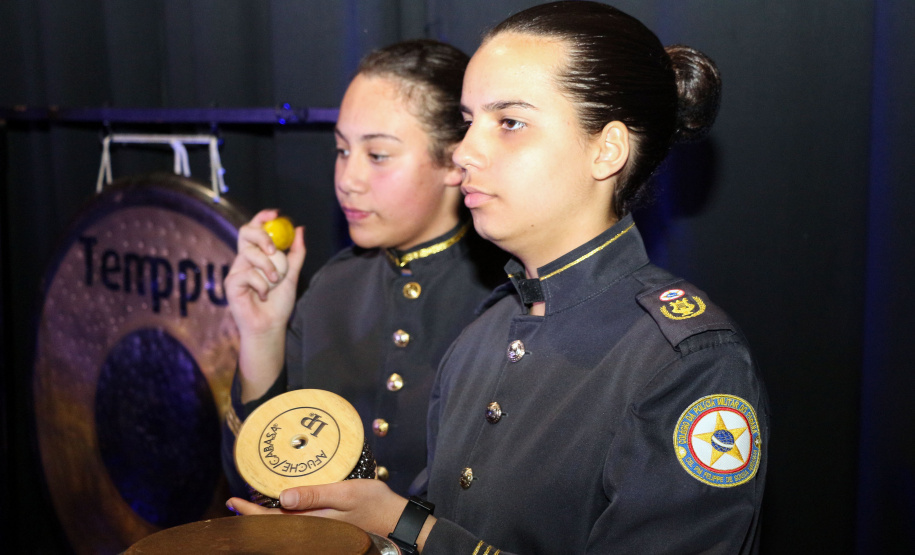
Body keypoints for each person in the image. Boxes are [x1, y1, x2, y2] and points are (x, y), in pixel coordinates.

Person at [228, 3, 769, 554]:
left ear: (606, 149)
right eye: (468, 123)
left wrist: (404, 523)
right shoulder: (486, 334)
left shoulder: (688, 362)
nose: (464, 152)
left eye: (509, 122)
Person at [221, 39, 506, 498]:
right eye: (340, 150)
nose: (347, 180)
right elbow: (256, 486)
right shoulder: (332, 287)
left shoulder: (509, 298)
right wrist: (262, 334)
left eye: (376, 155)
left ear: (455, 160)